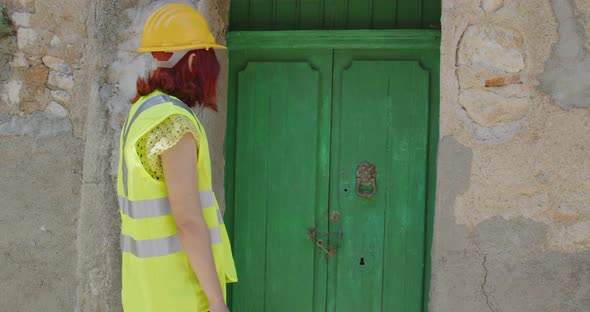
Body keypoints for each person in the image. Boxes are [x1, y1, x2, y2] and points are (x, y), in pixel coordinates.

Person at [116, 3, 237, 312]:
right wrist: (216, 302)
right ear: (196, 60)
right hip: (179, 297)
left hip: (145, 295)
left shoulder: (142, 112)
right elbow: (188, 221)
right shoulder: (173, 123)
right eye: (211, 59)